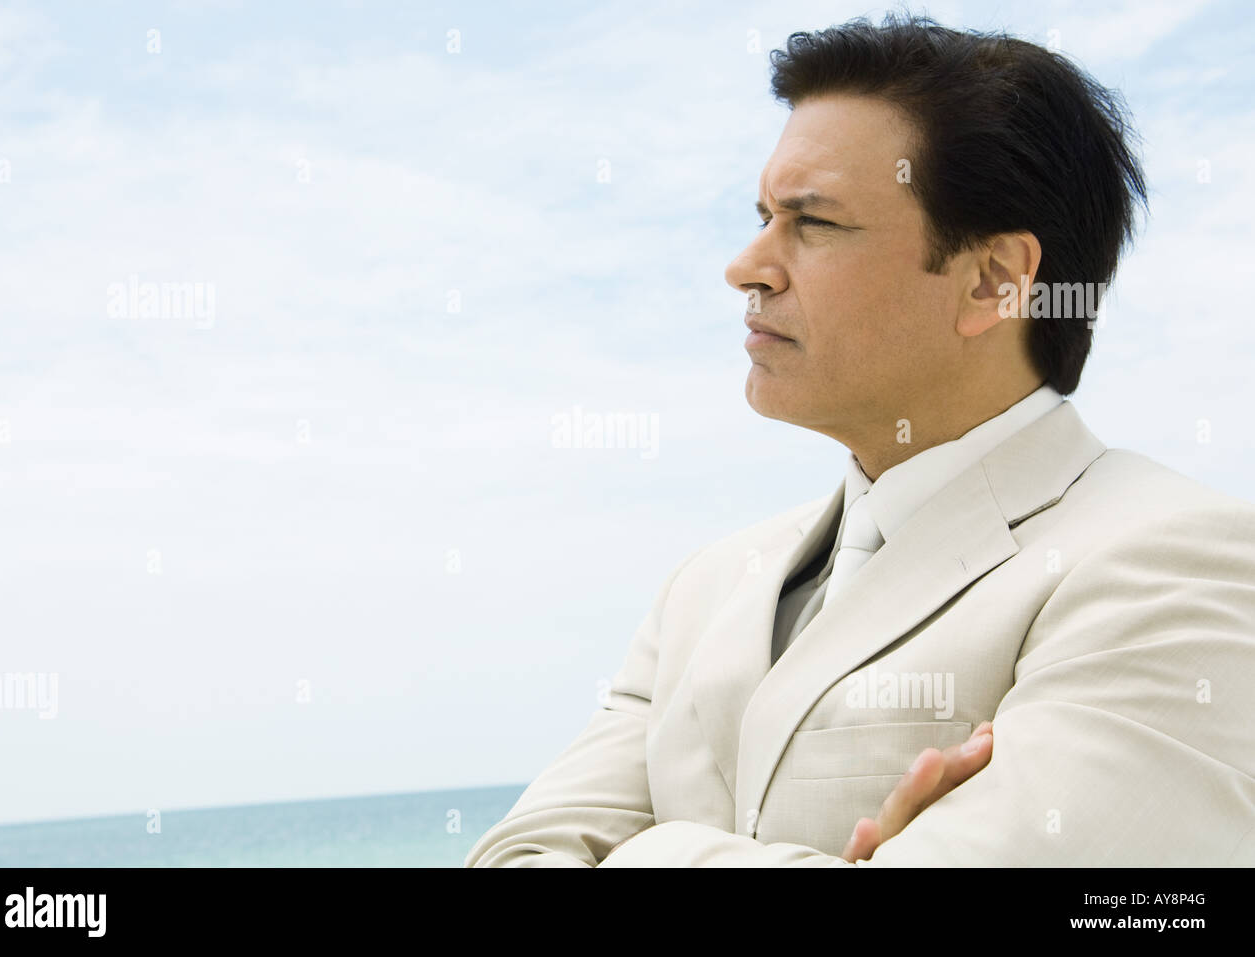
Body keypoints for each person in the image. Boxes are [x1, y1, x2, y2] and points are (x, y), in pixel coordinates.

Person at [464, 12, 1255, 867]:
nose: (748, 264)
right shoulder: (705, 588)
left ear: (992, 281)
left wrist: (649, 850)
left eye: (813, 223)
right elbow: (513, 856)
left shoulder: (1179, 561)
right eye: (763, 214)